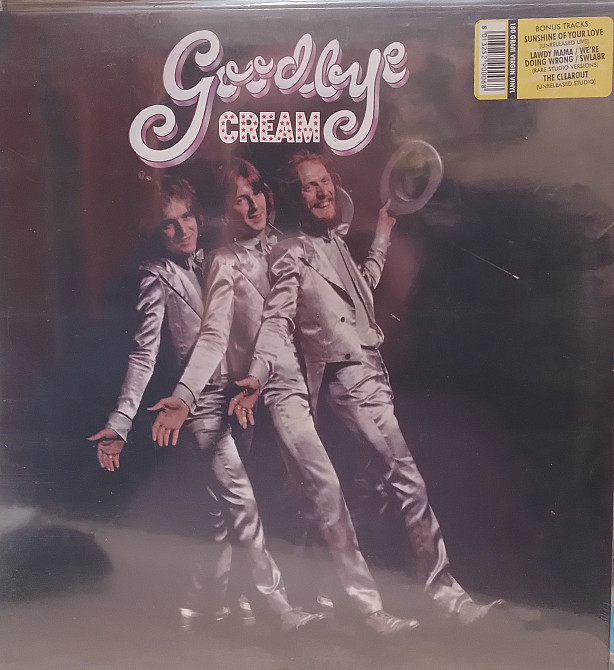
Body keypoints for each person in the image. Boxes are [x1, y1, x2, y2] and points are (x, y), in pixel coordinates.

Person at [150, 158, 419, 636]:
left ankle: (326, 596)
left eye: (256, 192)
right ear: (226, 212)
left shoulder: (294, 247)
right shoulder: (225, 261)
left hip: (316, 386)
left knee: (335, 492)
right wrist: (186, 396)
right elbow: (214, 335)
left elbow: (353, 292)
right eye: (239, 199)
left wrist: (381, 234)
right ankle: (362, 610)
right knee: (312, 491)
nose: (252, 204)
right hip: (268, 392)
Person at [232, 150, 502, 624]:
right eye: (309, 187)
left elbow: (363, 289)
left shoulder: (334, 243)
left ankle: (322, 585)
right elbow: (277, 320)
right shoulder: (292, 253)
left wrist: (382, 231)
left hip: (374, 373)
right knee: (407, 479)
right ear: (295, 198)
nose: (322, 192)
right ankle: (446, 595)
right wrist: (257, 374)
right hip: (348, 380)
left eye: (324, 182)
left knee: (372, 490)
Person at [87, 175, 321, 633]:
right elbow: (144, 353)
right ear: (155, 231)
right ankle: (276, 606)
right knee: (241, 500)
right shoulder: (157, 276)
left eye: (188, 217)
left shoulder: (217, 259)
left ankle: (204, 603)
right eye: (168, 224)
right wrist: (121, 421)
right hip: (196, 407)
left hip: (238, 398)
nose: (183, 229)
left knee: (220, 514)